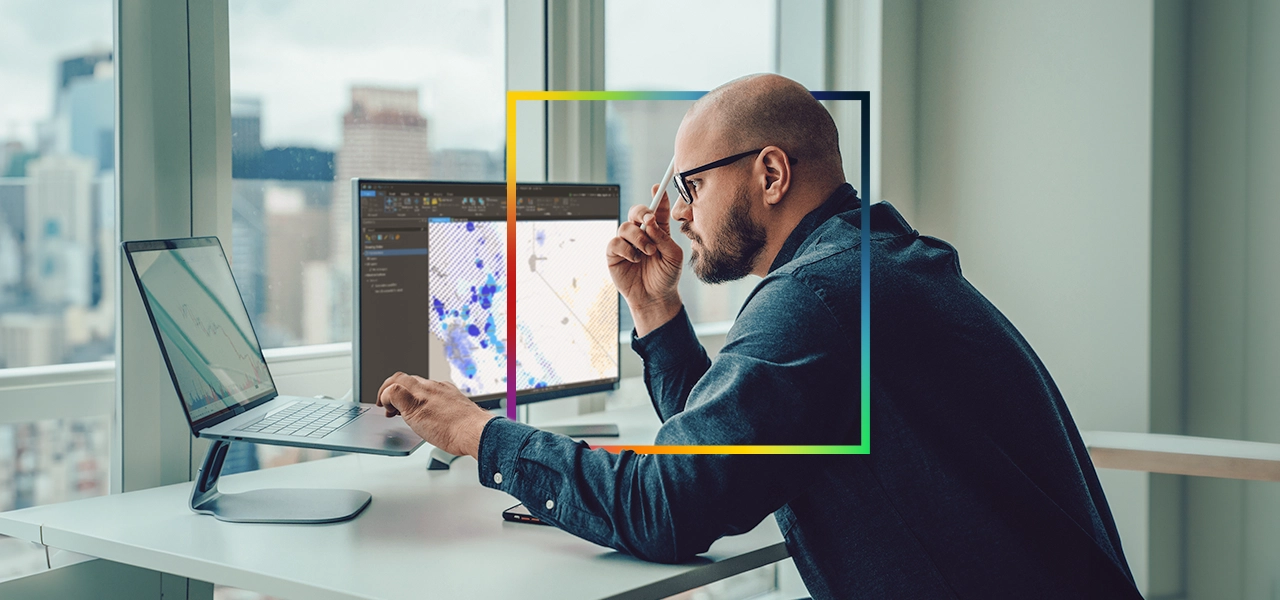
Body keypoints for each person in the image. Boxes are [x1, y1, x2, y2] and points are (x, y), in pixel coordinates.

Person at [376, 73, 1144, 599]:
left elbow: (668, 508)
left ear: (770, 173)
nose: (678, 214)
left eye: (692, 185)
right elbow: (731, 449)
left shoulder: (817, 297)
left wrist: (479, 432)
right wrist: (655, 312)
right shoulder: (869, 266)